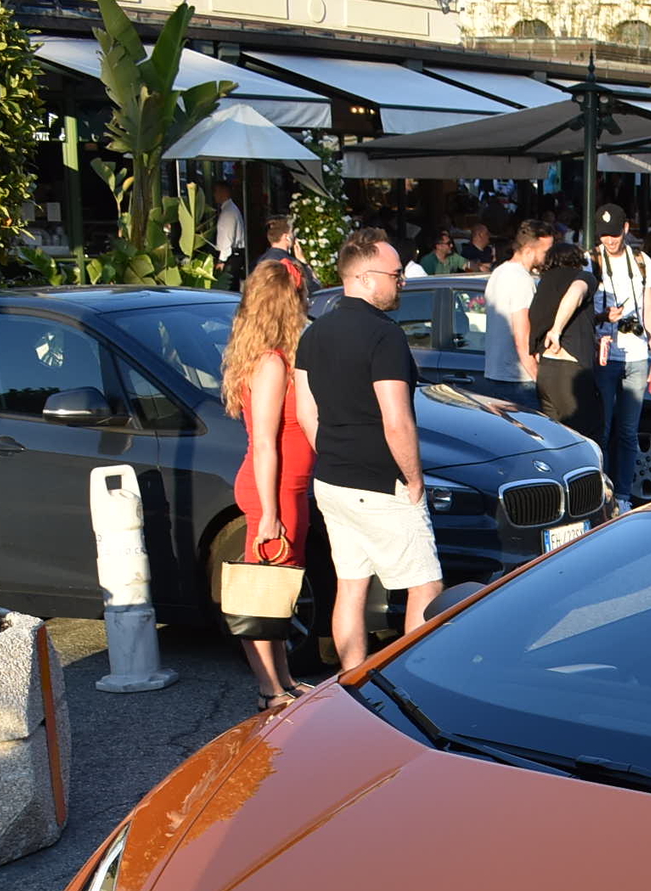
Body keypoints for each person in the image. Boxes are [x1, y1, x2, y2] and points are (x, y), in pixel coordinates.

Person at [293, 229, 443, 671]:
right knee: (425, 585)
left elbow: (306, 413)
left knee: (351, 585)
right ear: (362, 277)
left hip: (333, 479)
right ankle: (419, 681)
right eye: (395, 275)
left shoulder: (313, 335)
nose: (402, 282)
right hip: (381, 481)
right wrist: (414, 480)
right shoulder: (385, 336)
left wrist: (336, 452)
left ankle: (350, 679)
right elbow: (396, 418)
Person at [219, 258, 312, 709]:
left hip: (285, 487)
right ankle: (268, 688)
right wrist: (271, 514)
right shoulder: (272, 365)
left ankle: (282, 681)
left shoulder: (271, 359)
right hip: (273, 491)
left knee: (276, 589)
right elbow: (265, 444)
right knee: (260, 593)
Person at [590, 204, 651, 513]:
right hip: (604, 353)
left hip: (637, 354)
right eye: (603, 235)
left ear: (626, 229)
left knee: (627, 431)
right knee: (603, 429)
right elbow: (583, 312)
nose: (608, 240)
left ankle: (622, 495)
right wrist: (602, 317)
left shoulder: (642, 261)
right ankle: (602, 495)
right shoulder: (591, 261)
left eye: (613, 234)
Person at [531, 242, 600, 440]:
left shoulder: (543, 284)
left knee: (553, 439)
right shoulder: (583, 277)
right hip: (572, 368)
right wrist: (557, 330)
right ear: (577, 261)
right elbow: (576, 294)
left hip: (546, 369)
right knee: (583, 438)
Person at [477, 220, 548, 406]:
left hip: (494, 373)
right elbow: (522, 336)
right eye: (545, 251)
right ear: (529, 250)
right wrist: (538, 377)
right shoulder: (522, 280)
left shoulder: (498, 273)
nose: (547, 257)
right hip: (518, 379)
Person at [250, 217, 311, 294]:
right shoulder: (288, 262)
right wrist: (303, 262)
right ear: (286, 237)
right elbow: (312, 287)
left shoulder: (259, 261)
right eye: (292, 233)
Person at [212, 181, 244, 281]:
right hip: (234, 255)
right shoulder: (231, 209)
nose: (214, 195)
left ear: (223, 193)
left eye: (216, 192)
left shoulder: (228, 213)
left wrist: (221, 261)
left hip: (230, 257)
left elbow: (227, 238)